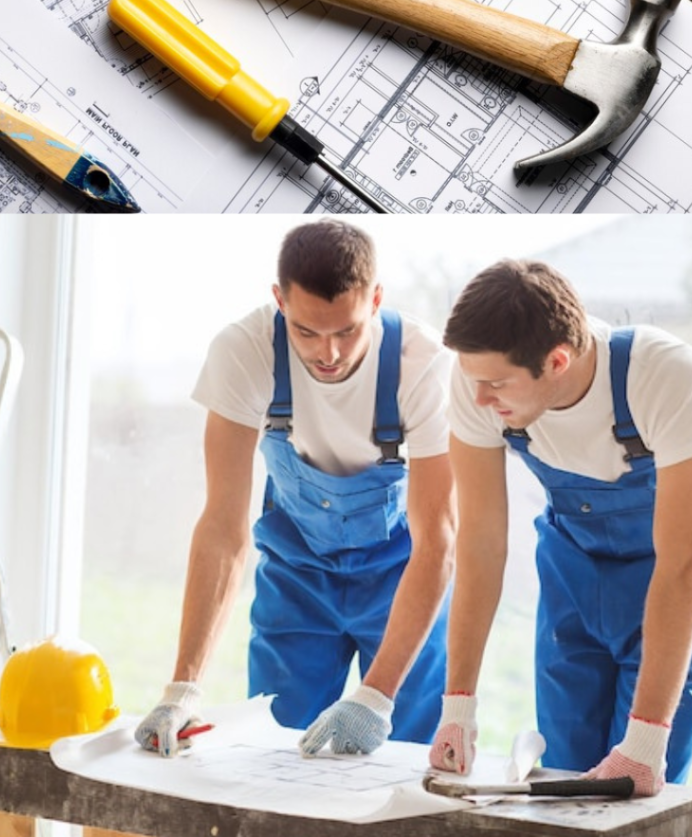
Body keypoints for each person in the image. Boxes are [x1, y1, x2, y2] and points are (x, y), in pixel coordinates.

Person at [135, 220, 456, 758]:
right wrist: (183, 688)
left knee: (404, 757)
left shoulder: (423, 367)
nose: (327, 353)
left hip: (403, 578)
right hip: (296, 577)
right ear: (279, 300)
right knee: (277, 750)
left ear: (376, 300)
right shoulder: (245, 350)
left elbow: (439, 543)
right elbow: (222, 527)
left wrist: (375, 696)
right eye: (307, 332)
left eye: (347, 331)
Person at [429, 259, 692, 796]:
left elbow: (684, 563)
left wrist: (644, 744)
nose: (479, 400)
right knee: (566, 778)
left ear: (556, 361)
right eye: (472, 379)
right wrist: (458, 705)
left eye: (496, 384)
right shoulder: (477, 385)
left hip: (674, 581)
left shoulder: (663, 376)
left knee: (633, 790)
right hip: (574, 572)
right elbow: (480, 543)